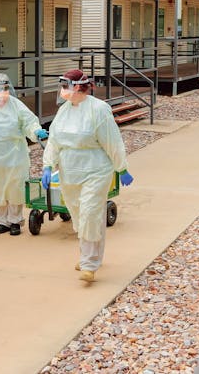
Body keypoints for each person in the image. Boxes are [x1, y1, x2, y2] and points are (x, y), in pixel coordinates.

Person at [41, 69, 134, 282]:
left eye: (66, 86)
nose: (63, 91)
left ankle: (90, 265)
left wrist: (122, 168)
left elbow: (112, 141)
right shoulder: (64, 110)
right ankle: (87, 255)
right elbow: (54, 140)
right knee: (78, 214)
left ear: (78, 86)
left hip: (95, 169)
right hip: (70, 170)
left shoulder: (99, 110)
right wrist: (48, 166)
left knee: (91, 213)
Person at [0, 73, 48, 236]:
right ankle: (2, 222)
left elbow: (29, 122)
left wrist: (36, 131)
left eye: (5, 89)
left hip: (15, 154)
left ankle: (15, 221)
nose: (2, 92)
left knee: (15, 188)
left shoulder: (17, 106)